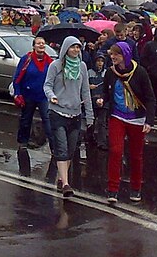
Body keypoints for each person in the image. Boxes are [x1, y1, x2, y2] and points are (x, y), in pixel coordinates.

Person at [103, 41, 155, 204]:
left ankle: (135, 187)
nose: (113, 57)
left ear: (125, 55)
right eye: (111, 54)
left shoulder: (140, 72)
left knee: (135, 156)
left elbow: (150, 98)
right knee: (116, 151)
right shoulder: (110, 73)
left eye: (116, 54)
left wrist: (149, 121)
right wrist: (101, 99)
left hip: (137, 118)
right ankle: (112, 190)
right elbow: (106, 93)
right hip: (117, 116)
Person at [43, 36, 94, 198]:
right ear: (65, 49)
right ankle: (65, 183)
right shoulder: (55, 66)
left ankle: (60, 177)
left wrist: (90, 114)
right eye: (73, 47)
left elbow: (85, 91)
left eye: (78, 47)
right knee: (62, 147)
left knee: (71, 149)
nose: (76, 50)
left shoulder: (83, 66)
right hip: (57, 112)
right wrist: (51, 96)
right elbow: (47, 85)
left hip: (75, 113)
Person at [12, 36, 54, 150]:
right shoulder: (26, 59)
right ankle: (23, 142)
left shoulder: (50, 62)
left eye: (43, 43)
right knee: (26, 119)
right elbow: (17, 78)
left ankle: (54, 146)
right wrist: (17, 93)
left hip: (43, 96)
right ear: (34, 46)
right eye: (39, 43)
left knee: (48, 120)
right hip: (28, 95)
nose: (41, 45)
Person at [88, 54, 109, 150]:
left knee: (102, 122)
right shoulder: (89, 73)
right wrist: (89, 86)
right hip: (91, 100)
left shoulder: (107, 73)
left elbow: (109, 89)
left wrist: (103, 99)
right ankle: (90, 139)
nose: (100, 63)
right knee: (91, 121)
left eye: (102, 61)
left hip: (103, 101)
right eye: (98, 61)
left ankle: (102, 142)